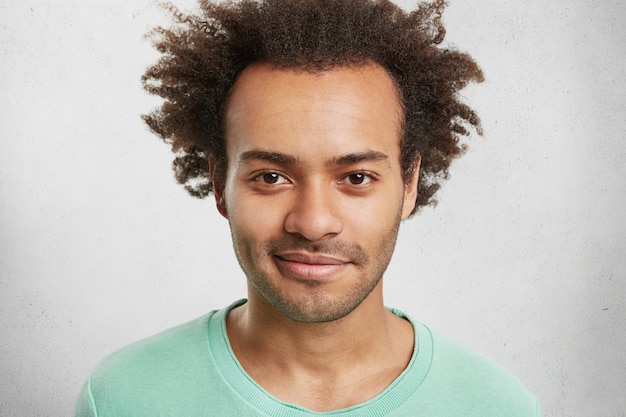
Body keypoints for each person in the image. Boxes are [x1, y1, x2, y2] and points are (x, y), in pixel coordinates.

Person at [75, 0, 541, 415]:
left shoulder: (498, 406)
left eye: (356, 178)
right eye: (271, 177)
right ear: (219, 184)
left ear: (409, 183)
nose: (314, 223)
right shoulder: (123, 398)